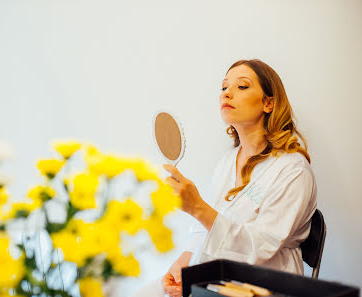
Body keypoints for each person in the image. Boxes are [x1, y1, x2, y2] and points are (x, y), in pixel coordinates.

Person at [131, 59, 317, 297]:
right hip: (211, 276)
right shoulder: (228, 161)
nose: (227, 93)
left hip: (261, 286)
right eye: (224, 87)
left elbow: (260, 247)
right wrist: (184, 264)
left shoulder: (293, 171)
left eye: (242, 87)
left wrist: (197, 207)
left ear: (268, 103)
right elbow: (204, 230)